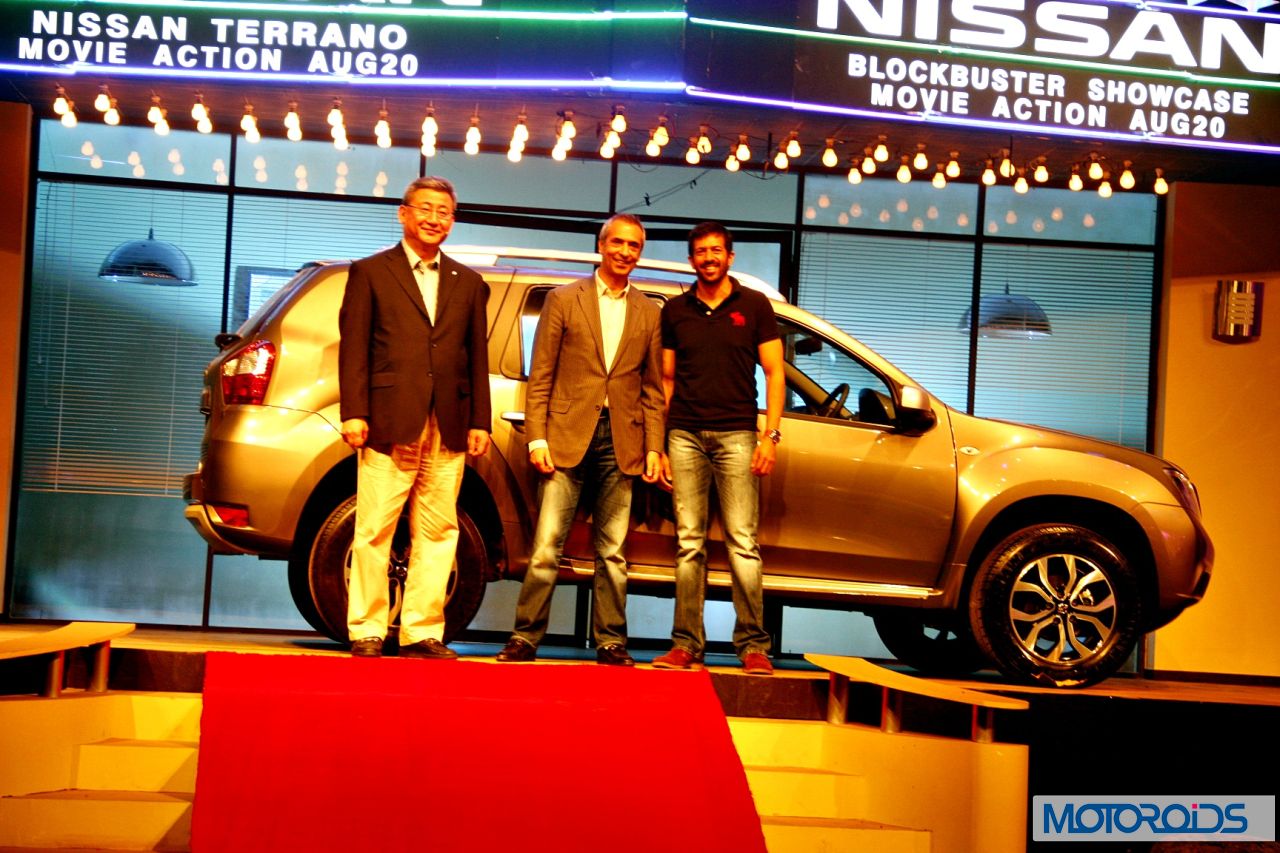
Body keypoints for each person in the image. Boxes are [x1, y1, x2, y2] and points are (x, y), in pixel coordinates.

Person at [496, 214, 665, 666]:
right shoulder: (563, 299)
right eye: (618, 243)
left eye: (634, 245)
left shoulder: (649, 311)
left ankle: (610, 641)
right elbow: (541, 375)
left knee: (613, 551)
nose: (625, 252)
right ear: (602, 245)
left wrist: (653, 446)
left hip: (622, 441)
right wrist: (537, 438)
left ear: (639, 252)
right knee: (546, 545)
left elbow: (652, 388)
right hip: (566, 436)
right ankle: (524, 638)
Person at [338, 176, 491, 659]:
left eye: (443, 211)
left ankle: (422, 630)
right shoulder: (370, 272)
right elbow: (354, 348)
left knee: (440, 529)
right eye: (425, 208)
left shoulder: (469, 282)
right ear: (403, 214)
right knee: (374, 528)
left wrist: (480, 421)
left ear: (452, 221)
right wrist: (354, 411)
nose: (434, 219)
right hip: (388, 419)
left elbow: (477, 358)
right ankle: (367, 627)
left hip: (449, 422)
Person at [653, 221, 785, 676]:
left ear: (730, 257)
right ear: (691, 259)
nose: (708, 258)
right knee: (688, 543)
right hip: (685, 436)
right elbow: (666, 380)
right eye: (700, 252)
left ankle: (753, 646)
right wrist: (661, 444)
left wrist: (770, 436)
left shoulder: (755, 305)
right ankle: (685, 644)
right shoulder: (675, 310)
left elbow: (774, 373)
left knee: (743, 544)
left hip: (738, 436)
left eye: (716, 251)